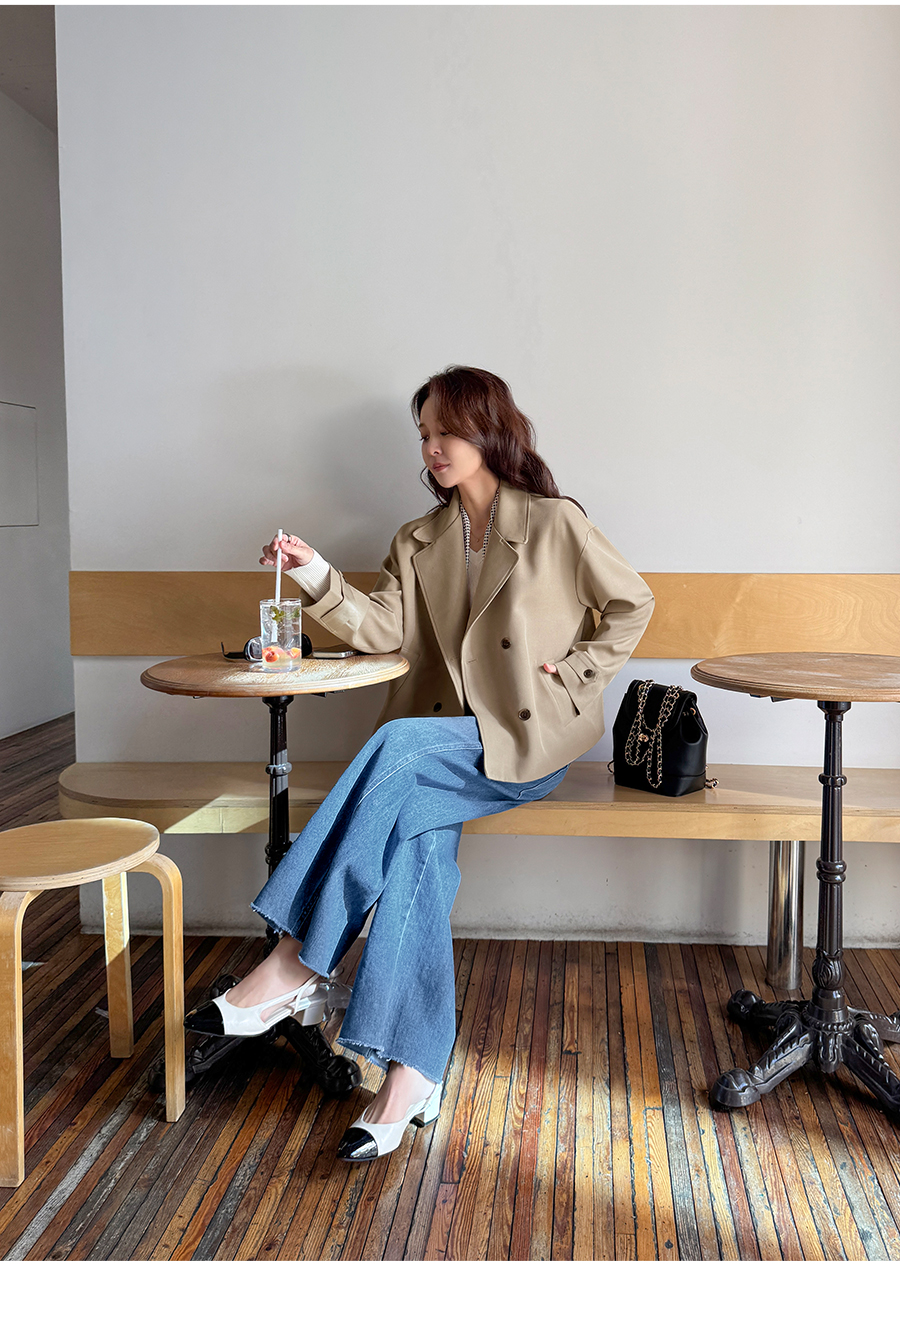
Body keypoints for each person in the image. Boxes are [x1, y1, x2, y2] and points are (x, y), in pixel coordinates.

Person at [185, 365, 654, 1163]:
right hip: (440, 751)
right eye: (425, 434)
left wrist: (574, 673)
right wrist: (313, 571)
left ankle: (297, 959)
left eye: (447, 431)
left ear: (488, 430)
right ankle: (412, 1075)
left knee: (397, 743)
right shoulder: (418, 539)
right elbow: (380, 630)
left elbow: (632, 602)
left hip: (525, 743)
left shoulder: (553, 522)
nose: (432, 447)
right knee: (415, 846)